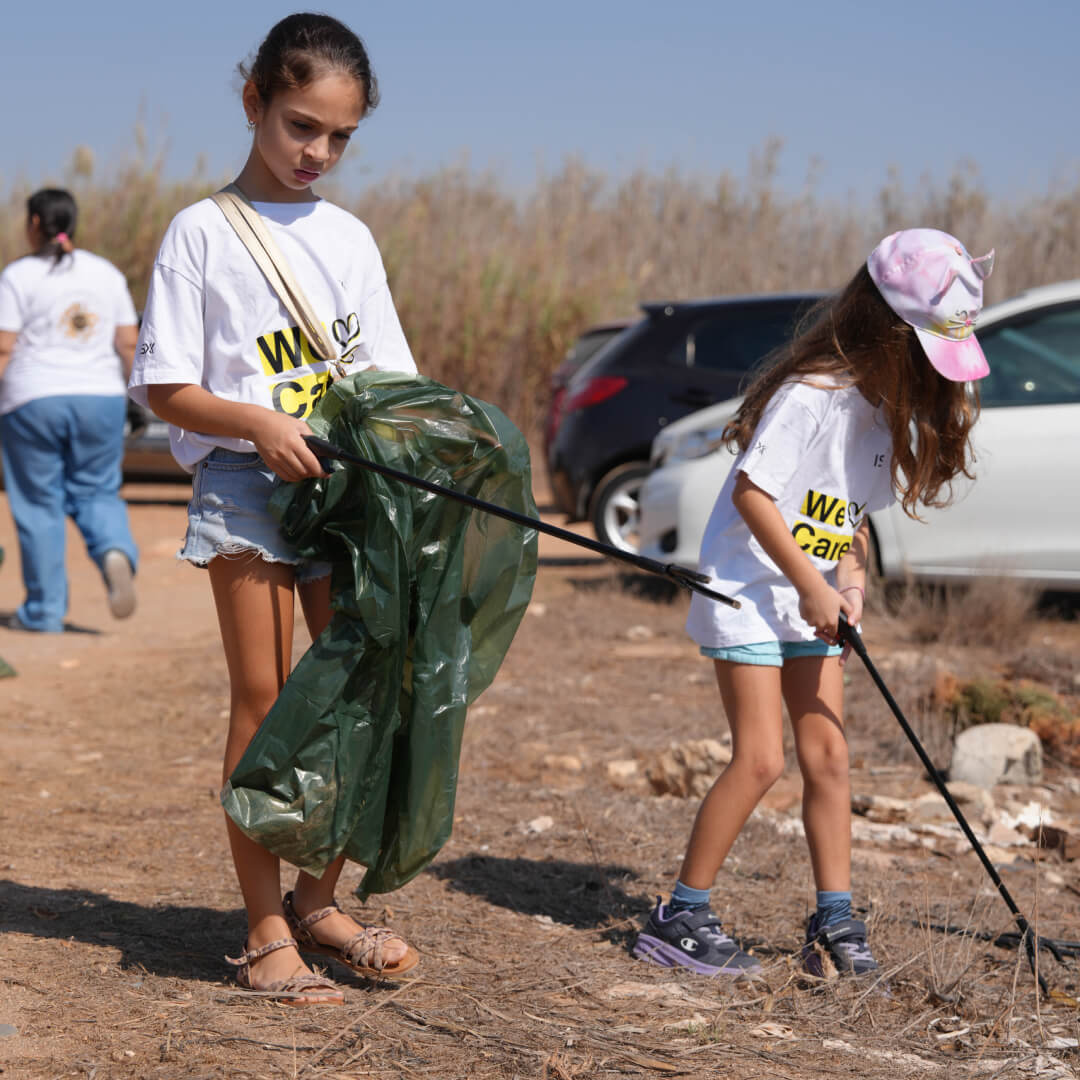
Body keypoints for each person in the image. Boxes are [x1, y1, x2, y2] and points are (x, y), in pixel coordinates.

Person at [129, 12, 420, 1005]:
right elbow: (165, 389)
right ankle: (263, 933)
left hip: (346, 499)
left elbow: (387, 381)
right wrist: (257, 422)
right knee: (267, 706)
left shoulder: (349, 237)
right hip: (245, 490)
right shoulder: (201, 232)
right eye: (301, 125)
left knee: (353, 708)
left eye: (339, 137)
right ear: (254, 100)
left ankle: (319, 901)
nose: (318, 152)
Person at [633, 228, 994, 979]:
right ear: (890, 330)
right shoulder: (813, 396)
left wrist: (850, 582)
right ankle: (679, 916)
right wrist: (810, 584)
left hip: (814, 600)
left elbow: (850, 522)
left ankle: (834, 917)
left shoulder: (880, 413)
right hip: (750, 595)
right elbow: (752, 494)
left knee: (828, 754)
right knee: (762, 758)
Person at [0, 188, 139, 633]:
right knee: (97, 491)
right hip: (101, 398)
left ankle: (44, 611)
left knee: (40, 504)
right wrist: (137, 399)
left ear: (35, 224)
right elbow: (128, 343)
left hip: (32, 400)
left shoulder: (18, 276)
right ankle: (114, 550)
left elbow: (4, 346)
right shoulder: (107, 274)